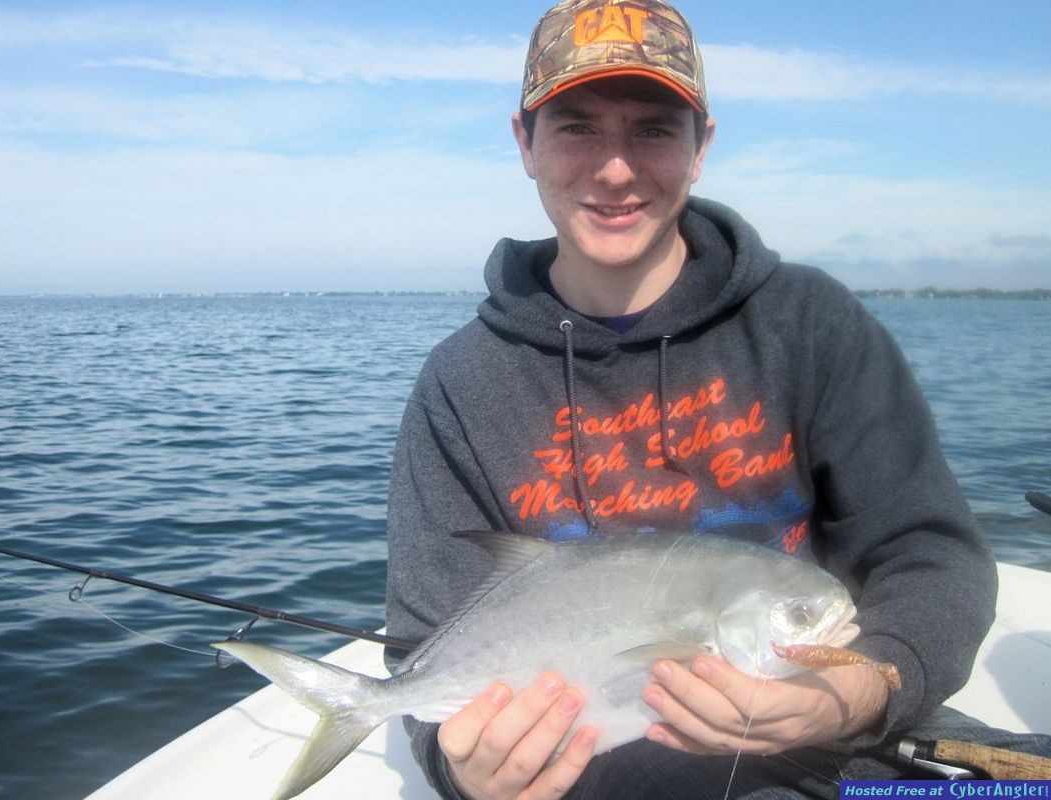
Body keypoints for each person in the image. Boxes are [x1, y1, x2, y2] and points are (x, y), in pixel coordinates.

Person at [385, 1, 1049, 797]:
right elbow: (428, 654)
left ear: (702, 147)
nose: (616, 168)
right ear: (524, 142)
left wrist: (858, 691)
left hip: (841, 744)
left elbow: (931, 554)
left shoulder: (808, 323)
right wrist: (466, 772)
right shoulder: (461, 385)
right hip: (598, 771)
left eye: (655, 129)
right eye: (577, 127)